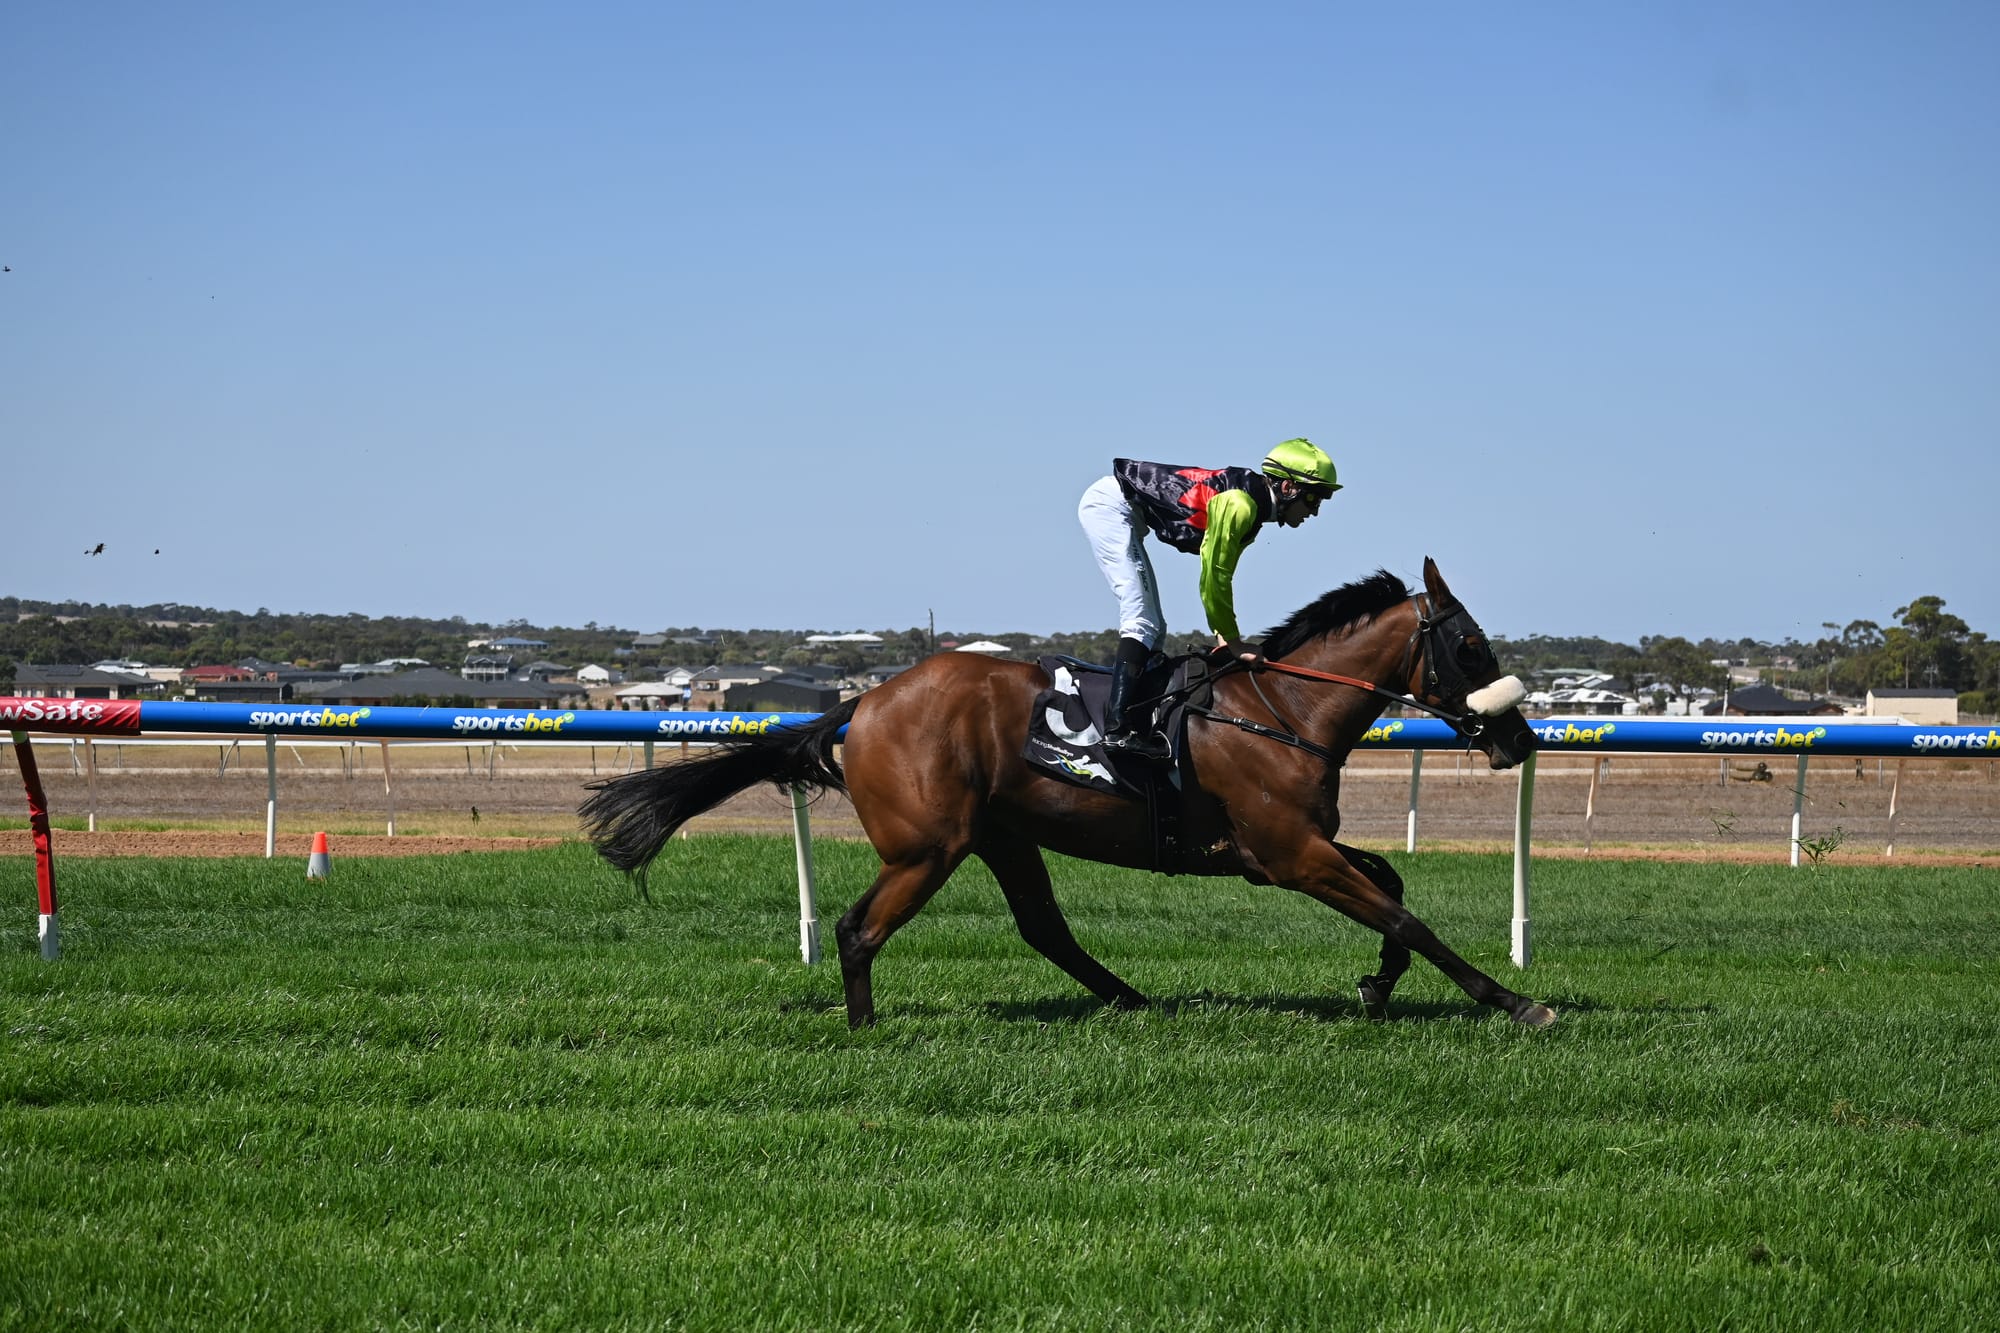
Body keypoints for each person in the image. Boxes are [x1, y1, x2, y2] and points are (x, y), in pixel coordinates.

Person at [1076, 438, 1340, 757]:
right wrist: (1232, 640)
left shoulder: (1251, 507)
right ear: (1287, 487)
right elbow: (1214, 575)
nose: (1314, 512)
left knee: (1155, 627)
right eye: (1314, 498)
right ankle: (1116, 730)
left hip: (1129, 512)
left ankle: (1138, 719)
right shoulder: (1240, 506)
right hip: (1111, 507)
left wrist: (1224, 637)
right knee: (1141, 621)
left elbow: (1217, 576)